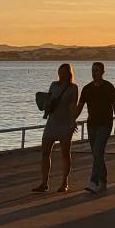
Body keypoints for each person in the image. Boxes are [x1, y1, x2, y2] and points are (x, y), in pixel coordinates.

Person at [76, 61, 115, 193]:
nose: (94, 73)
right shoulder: (87, 88)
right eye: (92, 70)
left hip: (105, 124)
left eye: (96, 70)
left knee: (97, 151)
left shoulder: (108, 87)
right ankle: (103, 182)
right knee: (97, 154)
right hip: (92, 124)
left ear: (102, 72)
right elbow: (79, 107)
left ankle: (93, 182)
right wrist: (71, 120)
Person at [34, 63, 78, 193]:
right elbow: (50, 100)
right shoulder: (53, 85)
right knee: (45, 152)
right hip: (52, 122)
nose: (61, 74)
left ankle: (64, 182)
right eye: (60, 71)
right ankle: (44, 182)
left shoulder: (73, 88)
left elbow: (73, 105)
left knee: (65, 153)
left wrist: (73, 121)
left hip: (65, 123)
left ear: (69, 73)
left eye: (64, 72)